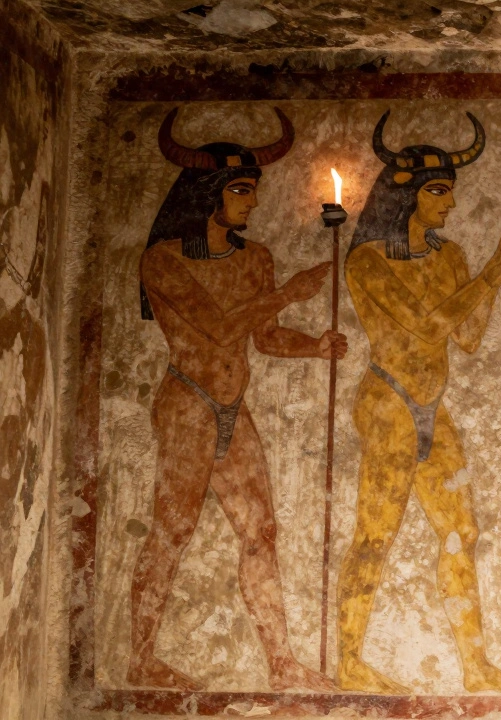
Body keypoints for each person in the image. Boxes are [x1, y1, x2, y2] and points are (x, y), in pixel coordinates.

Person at [131, 107, 344, 691]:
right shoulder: (163, 259)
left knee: (261, 532)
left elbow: (264, 339)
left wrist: (315, 347)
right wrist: (290, 293)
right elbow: (218, 327)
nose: (252, 203)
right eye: (242, 191)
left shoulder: (255, 259)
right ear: (208, 193)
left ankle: (280, 665)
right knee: (173, 529)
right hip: (188, 404)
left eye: (253, 190)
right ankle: (141, 659)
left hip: (234, 408)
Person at [337, 110, 501, 694]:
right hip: (387, 401)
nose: (450, 204)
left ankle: (474, 666)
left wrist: (484, 282)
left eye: (451, 192)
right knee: (376, 534)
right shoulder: (366, 260)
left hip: (431, 406)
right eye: (439, 192)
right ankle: (348, 661)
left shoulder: (449, 256)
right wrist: (491, 275)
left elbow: (466, 336)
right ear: (406, 195)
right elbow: (425, 324)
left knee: (460, 531)